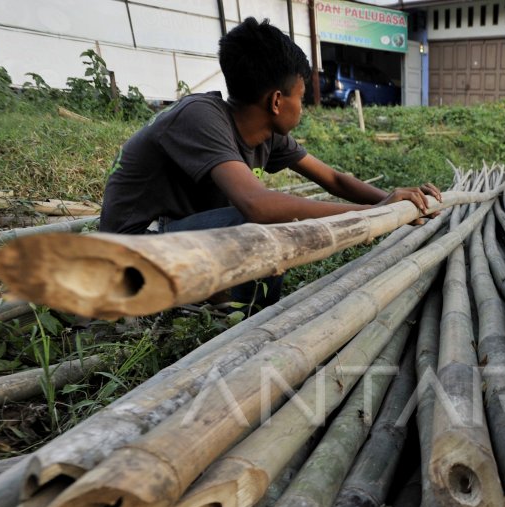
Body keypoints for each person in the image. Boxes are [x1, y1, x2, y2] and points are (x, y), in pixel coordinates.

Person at [99, 17, 440, 309]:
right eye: (301, 98)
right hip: (130, 253)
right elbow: (258, 206)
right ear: (277, 101)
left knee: (258, 223)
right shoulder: (199, 116)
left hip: (178, 243)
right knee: (263, 224)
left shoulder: (266, 134)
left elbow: (333, 180)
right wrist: (370, 214)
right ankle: (253, 319)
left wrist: (392, 202)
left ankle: (230, 307)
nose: (303, 109)